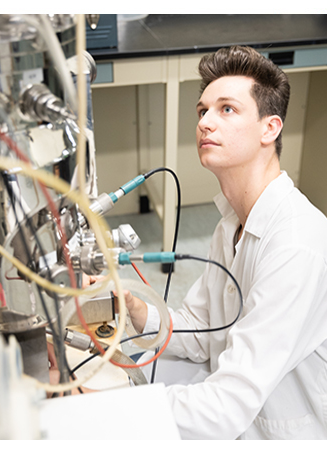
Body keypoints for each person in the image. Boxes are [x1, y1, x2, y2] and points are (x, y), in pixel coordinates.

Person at [118, 46, 327, 439]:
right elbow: (203, 331)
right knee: (134, 366)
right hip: (243, 403)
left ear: (271, 128)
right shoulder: (231, 223)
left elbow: (227, 406)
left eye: (226, 109)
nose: (205, 123)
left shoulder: (296, 245)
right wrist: (137, 313)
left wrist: (115, 408)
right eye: (202, 111)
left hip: (283, 433)